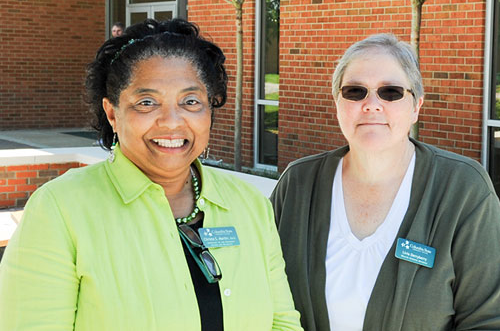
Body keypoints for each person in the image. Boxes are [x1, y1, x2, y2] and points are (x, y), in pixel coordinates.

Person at [0, 18, 302, 330]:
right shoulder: (59, 210)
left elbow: (282, 322)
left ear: (209, 109)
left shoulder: (250, 205)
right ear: (113, 113)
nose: (172, 122)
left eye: (190, 101)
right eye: (147, 102)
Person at [271, 33, 500, 330]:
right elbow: (260, 292)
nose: (371, 104)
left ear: (416, 105)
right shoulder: (298, 184)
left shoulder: (464, 190)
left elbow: (488, 320)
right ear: (337, 103)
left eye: (390, 92)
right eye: (355, 91)